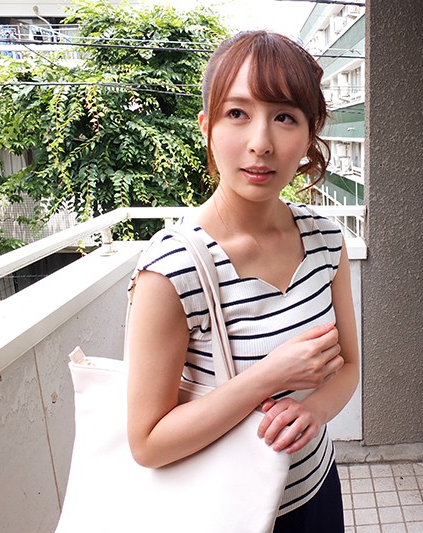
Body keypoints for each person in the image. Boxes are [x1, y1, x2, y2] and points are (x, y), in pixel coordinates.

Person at [125, 30, 359, 532]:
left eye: (285, 117)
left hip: (316, 491)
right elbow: (147, 443)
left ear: (309, 135)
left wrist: (315, 411)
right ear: (206, 126)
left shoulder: (325, 239)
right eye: (237, 113)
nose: (261, 143)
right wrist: (270, 376)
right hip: (230, 512)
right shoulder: (172, 268)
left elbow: (349, 365)